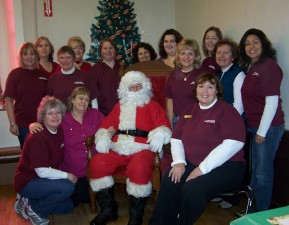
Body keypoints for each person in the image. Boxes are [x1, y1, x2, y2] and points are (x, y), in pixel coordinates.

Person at [149, 73, 246, 225]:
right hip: (194, 162)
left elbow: (234, 143)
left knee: (192, 189)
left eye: (210, 87)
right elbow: (176, 138)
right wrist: (179, 162)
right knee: (170, 178)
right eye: (201, 86)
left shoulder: (227, 111)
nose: (205, 91)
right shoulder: (190, 110)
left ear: (217, 91)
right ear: (195, 90)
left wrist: (202, 169)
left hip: (227, 167)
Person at [89, 71, 172, 225]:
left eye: (138, 86)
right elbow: (105, 126)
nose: (134, 90)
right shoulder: (118, 107)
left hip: (142, 148)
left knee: (139, 168)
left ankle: (136, 217)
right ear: (124, 89)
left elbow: (164, 125)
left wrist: (160, 134)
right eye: (131, 87)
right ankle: (108, 210)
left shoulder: (152, 105)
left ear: (145, 87)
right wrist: (103, 136)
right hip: (118, 147)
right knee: (97, 162)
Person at [30, 87, 105, 207]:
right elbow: (47, 127)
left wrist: (111, 129)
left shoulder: (95, 115)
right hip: (74, 172)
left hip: (95, 169)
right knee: (75, 201)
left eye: (87, 99)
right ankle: (31, 202)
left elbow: (109, 124)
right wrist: (33, 124)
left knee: (98, 197)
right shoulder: (62, 120)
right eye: (81, 98)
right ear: (72, 100)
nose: (84, 102)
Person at [239, 28, 285, 212]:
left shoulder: (269, 67)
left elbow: (272, 101)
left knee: (262, 172)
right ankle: (251, 210)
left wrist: (262, 131)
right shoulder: (252, 67)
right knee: (256, 170)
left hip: (268, 127)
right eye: (247, 43)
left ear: (264, 44)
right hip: (254, 125)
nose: (251, 46)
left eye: (255, 42)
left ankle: (261, 213)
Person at [13, 96, 77, 225]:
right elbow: (42, 171)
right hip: (28, 180)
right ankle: (35, 211)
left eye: (58, 112)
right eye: (50, 113)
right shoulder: (38, 136)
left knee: (67, 207)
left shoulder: (59, 130)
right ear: (43, 116)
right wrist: (68, 176)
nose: (55, 116)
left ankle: (26, 201)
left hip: (43, 179)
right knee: (67, 187)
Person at [4, 42, 48, 149]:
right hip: (23, 124)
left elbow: (48, 100)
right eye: (25, 54)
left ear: (36, 56)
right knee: (27, 156)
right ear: (21, 56)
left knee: (42, 153)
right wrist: (12, 123)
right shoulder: (15, 74)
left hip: (42, 122)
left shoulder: (43, 75)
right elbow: (8, 100)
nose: (29, 57)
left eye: (32, 54)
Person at [164, 38, 208, 128]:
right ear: (178, 56)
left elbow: (208, 99)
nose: (186, 57)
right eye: (183, 53)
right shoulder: (172, 75)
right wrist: (170, 124)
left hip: (198, 120)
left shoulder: (202, 74)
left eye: (190, 54)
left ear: (195, 56)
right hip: (178, 121)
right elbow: (169, 100)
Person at [89, 39, 125, 116]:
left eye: (111, 48)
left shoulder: (123, 66)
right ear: (100, 51)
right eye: (105, 48)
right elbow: (93, 94)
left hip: (123, 112)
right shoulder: (95, 70)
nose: (108, 51)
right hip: (103, 114)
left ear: (115, 50)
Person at [215, 39, 245, 115]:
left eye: (226, 52)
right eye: (219, 52)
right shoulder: (218, 74)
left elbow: (239, 107)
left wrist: (226, 122)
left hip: (233, 121)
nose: (221, 55)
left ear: (233, 57)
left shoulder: (238, 74)